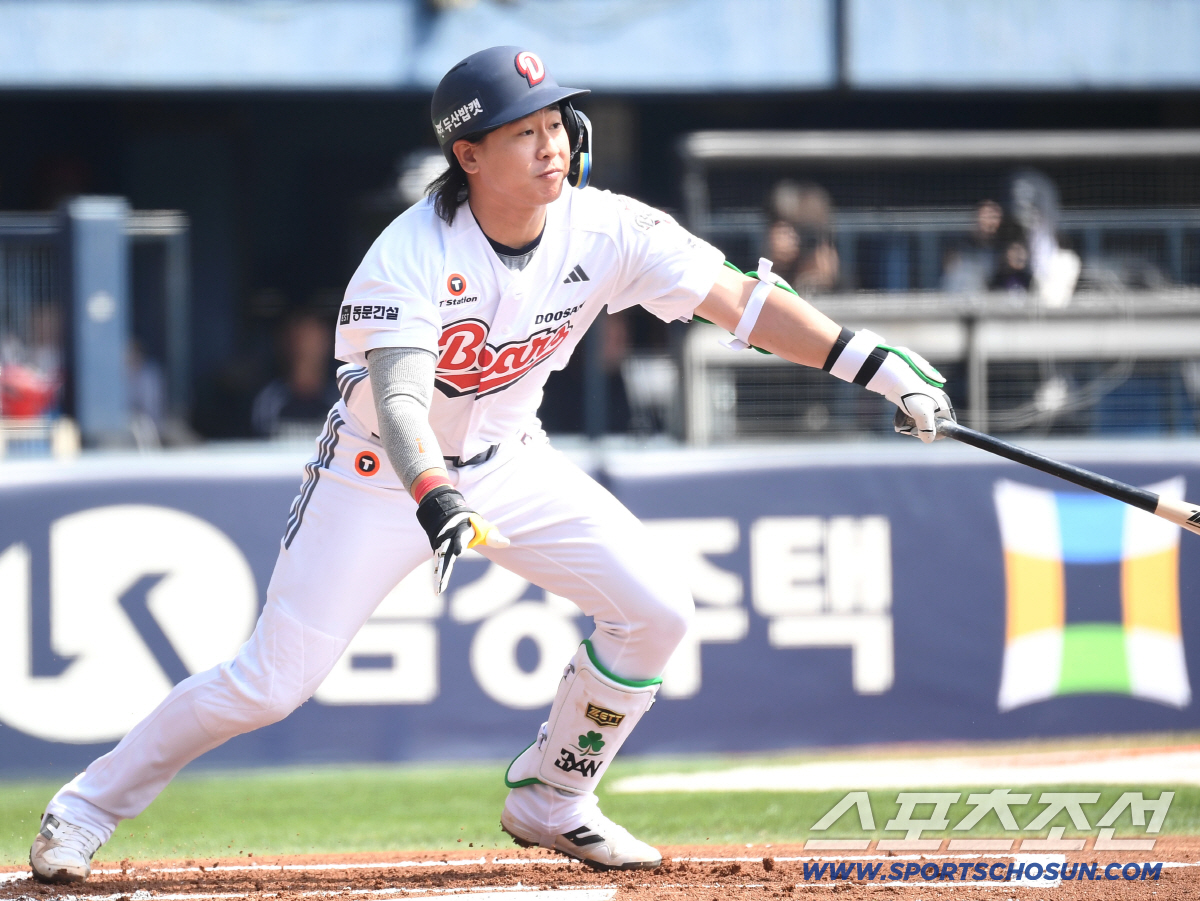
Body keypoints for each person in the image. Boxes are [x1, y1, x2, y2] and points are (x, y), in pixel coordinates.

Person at [28, 46, 955, 883]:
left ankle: (554, 795)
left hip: (512, 461)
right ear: (468, 154)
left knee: (658, 610)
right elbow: (399, 404)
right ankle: (83, 809)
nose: (552, 145)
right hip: (378, 478)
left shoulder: (608, 228)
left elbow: (742, 303)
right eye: (524, 132)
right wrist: (435, 495)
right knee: (269, 682)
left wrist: (877, 367)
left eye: (556, 124)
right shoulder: (410, 255)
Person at [251, 309, 342, 439]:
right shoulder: (267, 400)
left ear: (327, 343)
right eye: (298, 336)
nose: (304, 345)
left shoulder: (342, 399)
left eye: (311, 337)